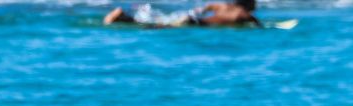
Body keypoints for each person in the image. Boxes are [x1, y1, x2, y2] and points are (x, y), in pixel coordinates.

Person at [103, 0, 260, 27]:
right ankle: (123, 17)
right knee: (159, 26)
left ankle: (124, 17)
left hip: (192, 18)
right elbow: (258, 24)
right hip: (197, 24)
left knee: (160, 22)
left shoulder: (222, 5)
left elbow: (203, 8)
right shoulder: (245, 15)